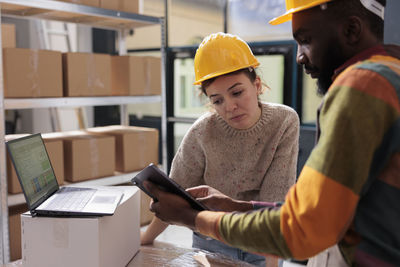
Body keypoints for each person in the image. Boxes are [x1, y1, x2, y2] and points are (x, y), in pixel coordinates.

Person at [144, 0, 400, 266]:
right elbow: (313, 211)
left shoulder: (362, 88)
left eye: (306, 40)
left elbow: (303, 228)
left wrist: (190, 218)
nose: (300, 56)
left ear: (351, 30)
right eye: (217, 100)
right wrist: (237, 206)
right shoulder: (390, 73)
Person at [140, 32, 300, 266]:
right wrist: (145, 238)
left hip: (259, 240)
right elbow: (175, 195)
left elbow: (275, 204)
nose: (230, 107)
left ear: (256, 85)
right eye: (217, 100)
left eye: (237, 92)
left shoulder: (284, 121)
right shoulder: (202, 131)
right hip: (209, 239)